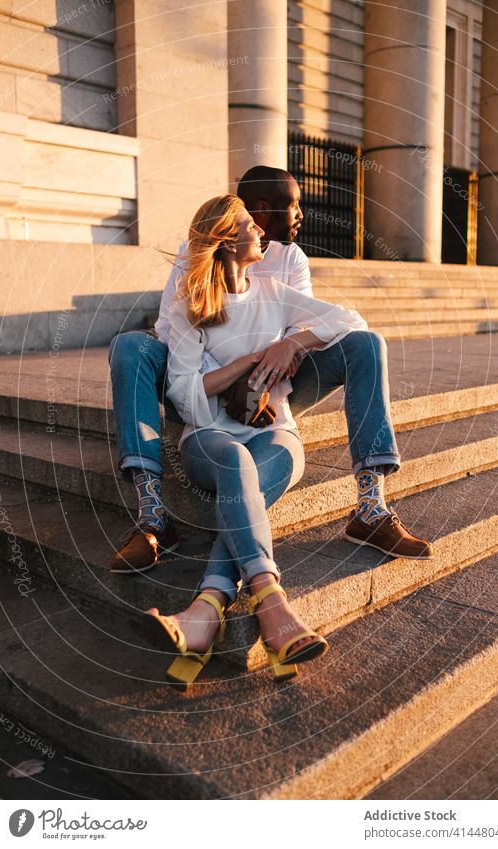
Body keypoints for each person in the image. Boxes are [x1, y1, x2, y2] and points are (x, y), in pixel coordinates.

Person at [108, 165, 433, 573]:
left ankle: (370, 507)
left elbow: (313, 327)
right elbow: (173, 332)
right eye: (292, 206)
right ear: (259, 212)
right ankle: (153, 516)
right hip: (201, 389)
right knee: (131, 346)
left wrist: (289, 346)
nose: (300, 215)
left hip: (276, 386)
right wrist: (234, 378)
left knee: (365, 345)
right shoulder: (195, 254)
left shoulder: (288, 259)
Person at [142, 193, 370, 687]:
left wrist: (291, 341)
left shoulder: (274, 291)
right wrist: (244, 365)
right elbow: (184, 394)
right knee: (235, 462)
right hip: (208, 438)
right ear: (228, 242)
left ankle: (207, 609)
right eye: (250, 224)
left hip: (277, 437)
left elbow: (350, 320)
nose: (262, 231)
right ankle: (270, 603)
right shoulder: (192, 307)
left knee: (250, 465)